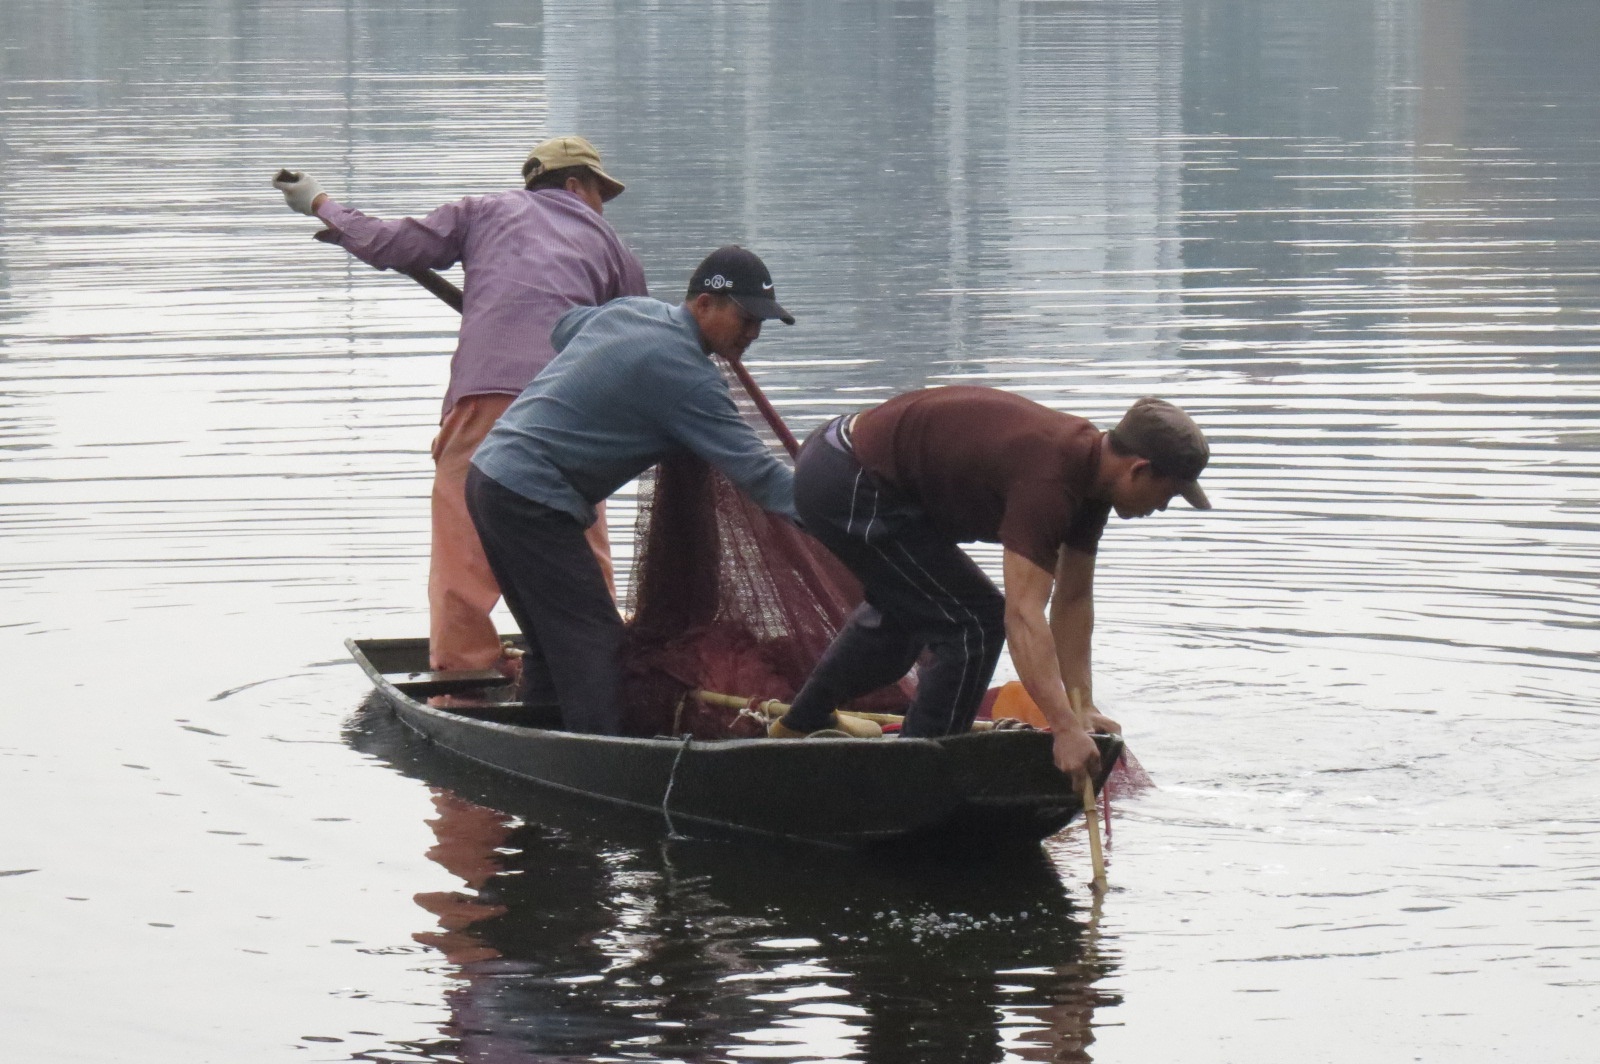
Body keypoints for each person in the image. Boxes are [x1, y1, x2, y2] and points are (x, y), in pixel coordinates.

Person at [272, 137, 648, 673]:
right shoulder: (613, 246)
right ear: (573, 185)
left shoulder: (483, 213)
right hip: (574, 408)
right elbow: (641, 340)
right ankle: (605, 663)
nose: (602, 207)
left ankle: (465, 672)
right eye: (599, 193)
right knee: (582, 541)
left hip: (489, 398)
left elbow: (388, 243)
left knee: (463, 544)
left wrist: (320, 203)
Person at [768, 387, 1212, 788]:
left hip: (853, 469)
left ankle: (799, 725)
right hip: (845, 475)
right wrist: (1061, 730)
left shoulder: (1092, 486)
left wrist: (1081, 707)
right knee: (973, 625)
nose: (1163, 508)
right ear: (1139, 469)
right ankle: (914, 777)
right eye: (1168, 494)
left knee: (906, 616)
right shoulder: (1051, 481)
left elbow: (1073, 600)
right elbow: (1022, 614)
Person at [465, 246, 798, 735]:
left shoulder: (632, 312)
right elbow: (763, 478)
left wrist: (605, 356)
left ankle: (539, 740)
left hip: (489, 478)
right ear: (704, 304)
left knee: (549, 640)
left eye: (760, 324)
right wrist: (841, 513)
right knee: (595, 644)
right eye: (745, 318)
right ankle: (605, 759)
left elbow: (565, 328)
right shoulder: (688, 376)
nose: (752, 334)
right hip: (531, 498)